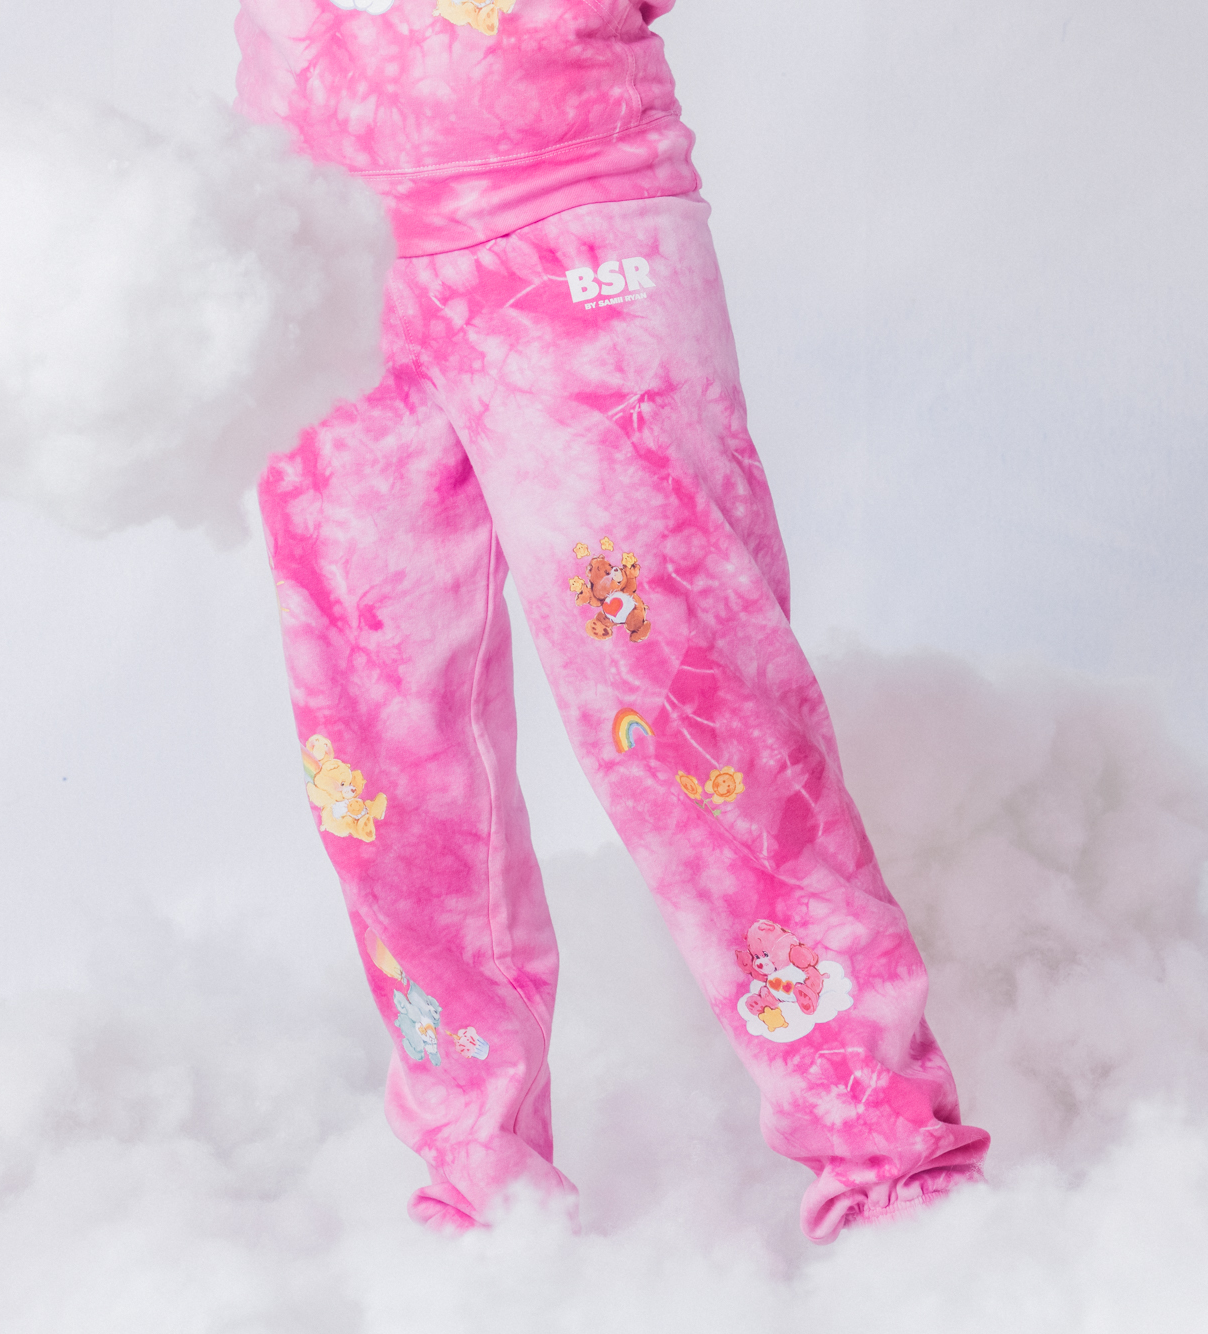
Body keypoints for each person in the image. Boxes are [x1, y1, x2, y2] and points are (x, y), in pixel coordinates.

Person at [238, 0, 989, 1242]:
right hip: (313, 237)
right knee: (379, 755)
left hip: (569, 203)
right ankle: (477, 1187)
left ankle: (889, 1156)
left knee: (693, 699)